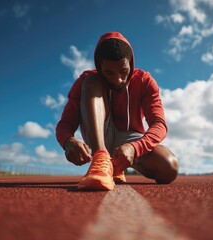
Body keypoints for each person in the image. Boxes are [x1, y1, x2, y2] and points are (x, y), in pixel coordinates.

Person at [56, 32, 178, 191]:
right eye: (109, 73)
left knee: (168, 167)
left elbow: (159, 124)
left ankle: (116, 167)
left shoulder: (145, 81)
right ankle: (100, 158)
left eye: (123, 71)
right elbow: (65, 124)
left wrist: (135, 147)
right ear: (100, 67)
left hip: (129, 138)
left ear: (131, 64)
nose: (118, 79)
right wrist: (68, 142)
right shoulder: (84, 81)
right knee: (90, 81)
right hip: (99, 132)